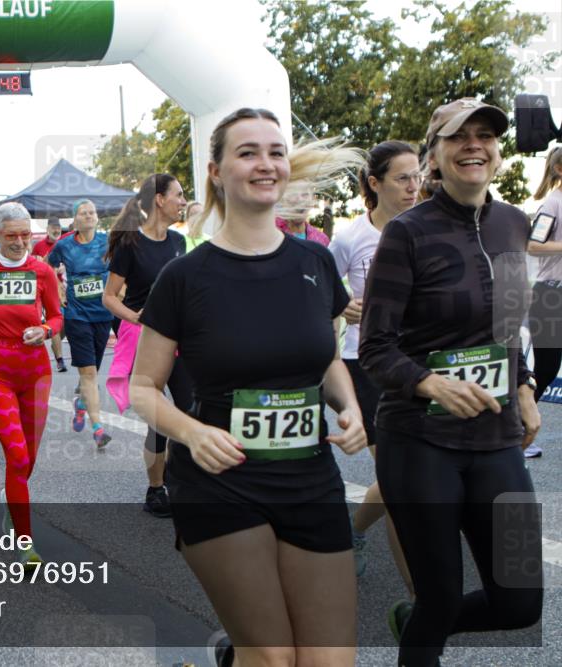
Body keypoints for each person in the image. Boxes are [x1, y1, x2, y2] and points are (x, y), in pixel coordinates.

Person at [130, 108, 367, 666]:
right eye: (248, 152)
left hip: (309, 478)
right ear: (216, 171)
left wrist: (350, 407)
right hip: (221, 483)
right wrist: (192, 433)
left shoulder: (313, 260)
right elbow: (142, 386)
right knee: (273, 660)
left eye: (276, 151)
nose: (266, 164)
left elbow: (325, 357)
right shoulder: (185, 277)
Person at [360, 98, 543, 666]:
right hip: (421, 441)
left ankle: (415, 625)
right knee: (437, 597)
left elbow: (513, 325)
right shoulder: (407, 233)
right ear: (434, 155)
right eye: (460, 136)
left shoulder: (515, 222)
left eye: (486, 135)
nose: (475, 146)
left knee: (520, 602)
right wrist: (431, 384)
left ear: (497, 149)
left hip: (495, 437)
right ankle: (423, 631)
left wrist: (526, 388)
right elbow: (374, 348)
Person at [329, 140, 419, 589]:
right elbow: (321, 291)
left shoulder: (429, 230)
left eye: (418, 177)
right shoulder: (349, 238)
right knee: (397, 472)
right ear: (374, 183)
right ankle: (420, 591)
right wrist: (342, 305)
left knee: (414, 470)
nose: (413, 187)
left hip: (419, 364)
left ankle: (356, 528)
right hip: (366, 365)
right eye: (402, 178)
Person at [0, 202, 63, 567]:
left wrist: (46, 330)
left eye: (25, 235)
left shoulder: (42, 271)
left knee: (27, 460)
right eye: (12, 236)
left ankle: (10, 498)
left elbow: (57, 315)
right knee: (17, 456)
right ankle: (26, 544)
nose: (20, 243)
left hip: (35, 369)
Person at [103, 173, 190, 517]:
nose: (183, 201)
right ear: (159, 199)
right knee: (158, 417)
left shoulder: (180, 242)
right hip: (144, 339)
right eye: (179, 195)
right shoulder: (130, 244)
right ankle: (156, 489)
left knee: (189, 407)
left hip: (181, 339)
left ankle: (177, 474)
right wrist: (138, 318)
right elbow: (109, 298)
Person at [47, 199, 113, 448]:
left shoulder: (108, 241)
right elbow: (47, 266)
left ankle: (81, 404)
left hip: (103, 314)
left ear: (97, 217)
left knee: (92, 369)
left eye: (92, 212)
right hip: (77, 315)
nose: (88, 216)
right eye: (83, 213)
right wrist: (59, 291)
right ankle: (98, 428)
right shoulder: (64, 245)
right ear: (74, 220)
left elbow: (121, 269)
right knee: (89, 374)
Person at [525, 144, 562, 459]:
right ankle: (520, 428)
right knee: (548, 367)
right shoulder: (552, 204)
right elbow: (533, 245)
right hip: (551, 295)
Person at [33, 216, 69, 372]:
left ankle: (48, 336)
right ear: (47, 229)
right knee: (54, 317)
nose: (56, 230)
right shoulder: (39, 246)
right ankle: (60, 360)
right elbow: (35, 266)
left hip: (67, 289)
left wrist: (64, 267)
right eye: (53, 228)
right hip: (49, 289)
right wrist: (47, 266)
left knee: (63, 326)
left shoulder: (66, 244)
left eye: (58, 228)